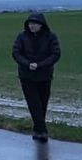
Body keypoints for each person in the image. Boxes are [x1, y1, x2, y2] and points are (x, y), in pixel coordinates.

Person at [12, 12, 61, 141]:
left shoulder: (50, 37)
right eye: (30, 23)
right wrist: (28, 64)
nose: (32, 26)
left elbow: (55, 54)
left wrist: (40, 65)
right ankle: (42, 131)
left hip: (44, 76)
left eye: (34, 23)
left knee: (42, 103)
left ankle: (37, 129)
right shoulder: (22, 37)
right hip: (27, 76)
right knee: (34, 104)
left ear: (41, 25)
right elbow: (16, 53)